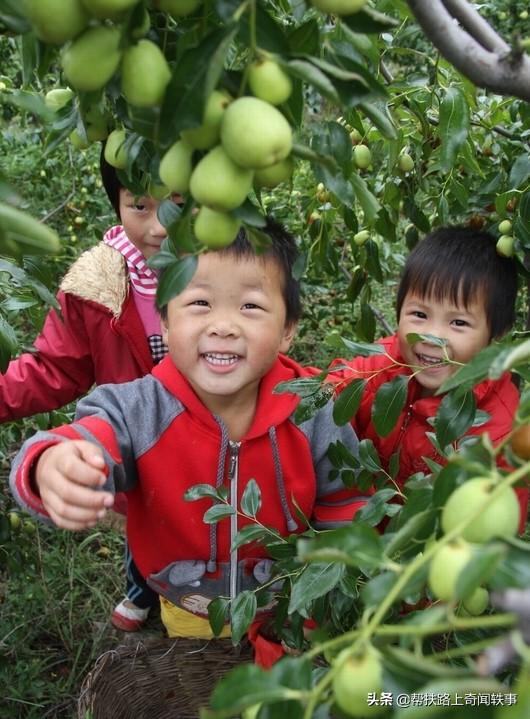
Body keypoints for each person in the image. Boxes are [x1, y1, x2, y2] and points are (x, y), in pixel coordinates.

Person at [9, 220, 366, 646]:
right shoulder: (138, 409)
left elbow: (344, 500)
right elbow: (90, 436)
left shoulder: (313, 409)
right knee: (202, 685)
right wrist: (52, 463)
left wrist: (328, 589)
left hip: (292, 606)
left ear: (288, 329)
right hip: (189, 607)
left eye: (250, 306)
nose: (224, 325)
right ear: (164, 320)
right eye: (199, 302)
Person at [0, 149, 173, 630]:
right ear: (116, 202)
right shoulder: (96, 284)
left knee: (209, 525)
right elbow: (54, 367)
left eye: (178, 203)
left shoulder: (229, 268)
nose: (159, 226)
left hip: (216, 436)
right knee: (145, 531)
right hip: (138, 447)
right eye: (140, 205)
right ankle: (142, 591)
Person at [329, 226, 528, 525]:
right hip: (366, 540)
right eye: (419, 315)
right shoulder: (386, 363)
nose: (433, 336)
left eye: (458, 322)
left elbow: (495, 529)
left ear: (495, 333)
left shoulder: (499, 431)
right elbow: (328, 390)